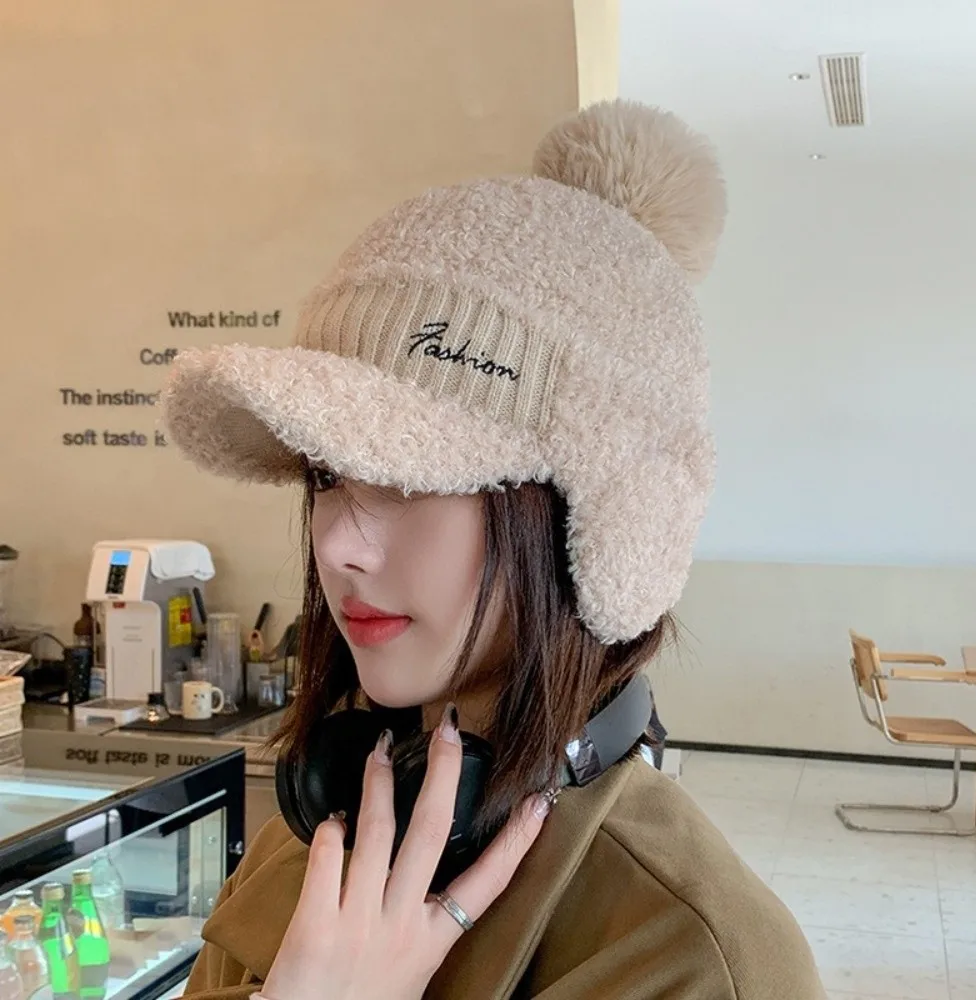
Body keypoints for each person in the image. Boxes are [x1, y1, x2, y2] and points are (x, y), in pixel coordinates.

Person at [164, 100, 825, 1000]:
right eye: (324, 473)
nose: (340, 545)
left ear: (603, 521)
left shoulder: (696, 958)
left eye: (409, 474)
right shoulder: (315, 836)